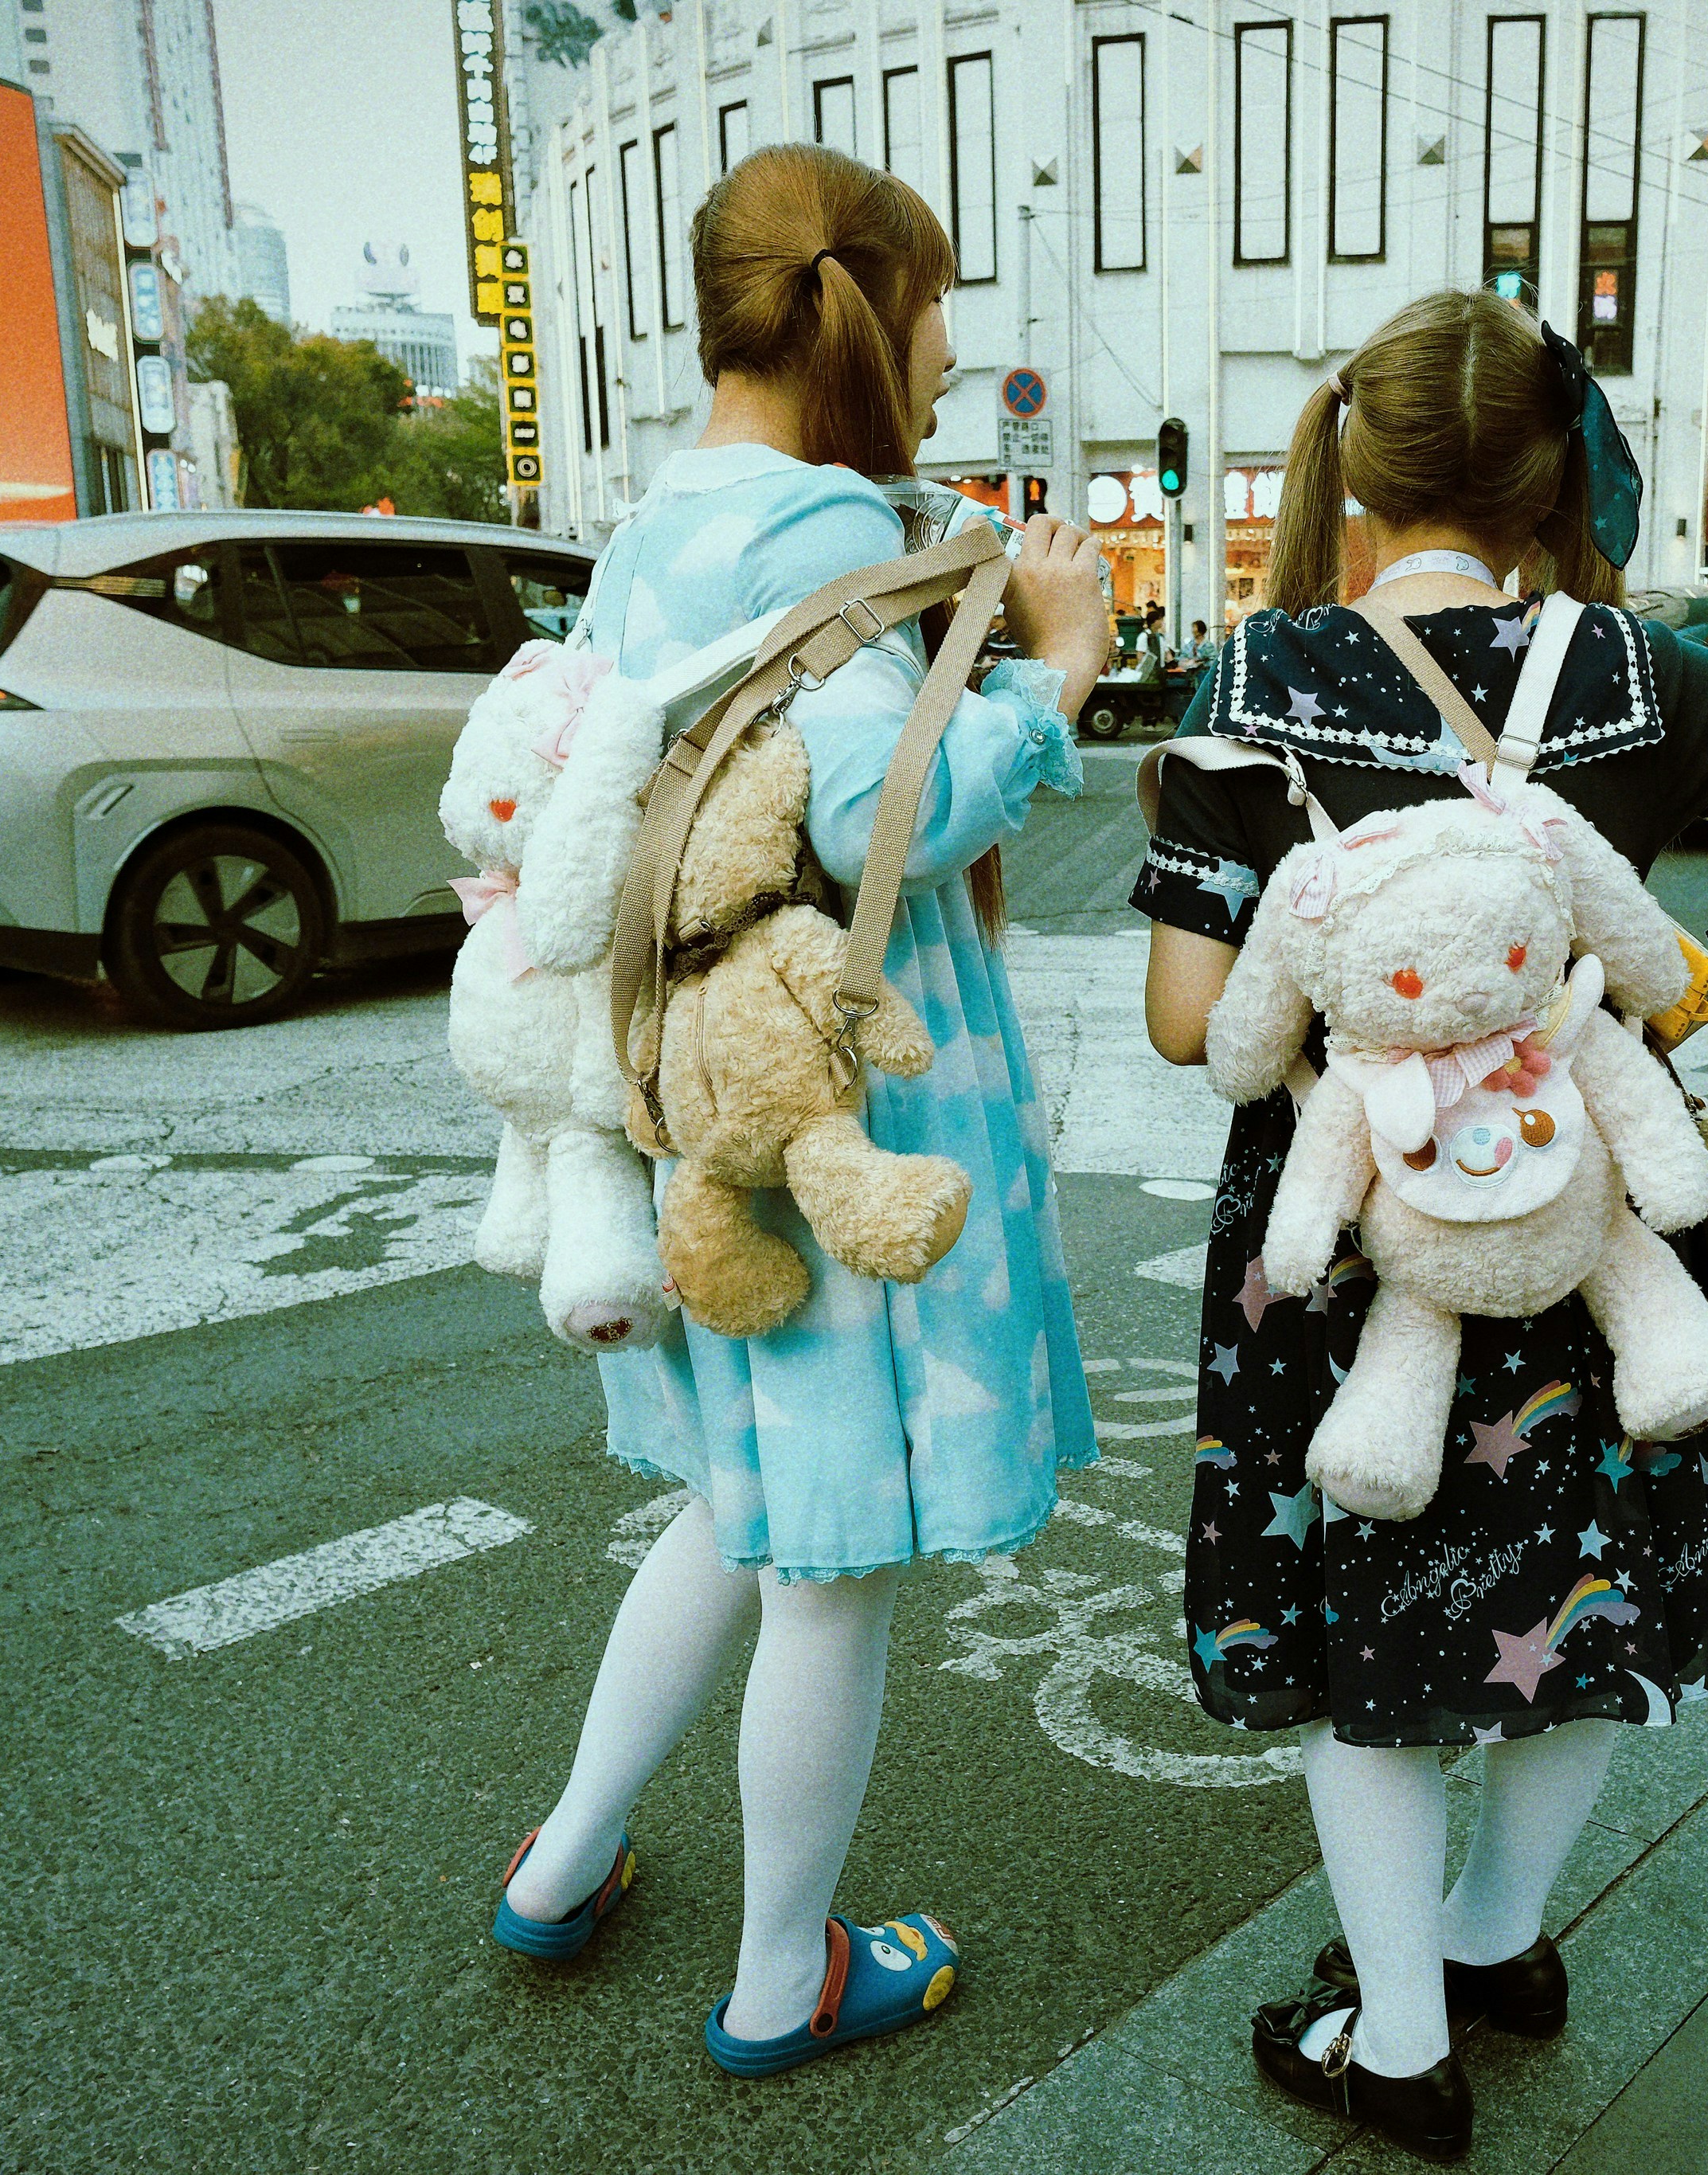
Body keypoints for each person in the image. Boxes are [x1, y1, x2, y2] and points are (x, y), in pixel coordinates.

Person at [1135, 289, 1708, 2159]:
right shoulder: (1645, 675)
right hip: (1592, 1210)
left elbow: (1191, 1028)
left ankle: (1398, 2044)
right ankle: (1499, 1940)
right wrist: (1689, 982)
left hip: (1349, 1237)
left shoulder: (1262, 677)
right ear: (1552, 474)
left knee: (1367, 1593)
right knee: (1596, 1569)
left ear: (1358, 457)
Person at [491, 143, 1111, 2079]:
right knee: (829, 1555)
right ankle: (782, 1979)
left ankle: (567, 1859)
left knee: (735, 1504)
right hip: (836, 1082)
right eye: (938, 320)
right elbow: (881, 815)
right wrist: (1065, 669)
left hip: (695, 1085)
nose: (945, 359)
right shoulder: (828, 528)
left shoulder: (651, 526)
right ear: (877, 313)